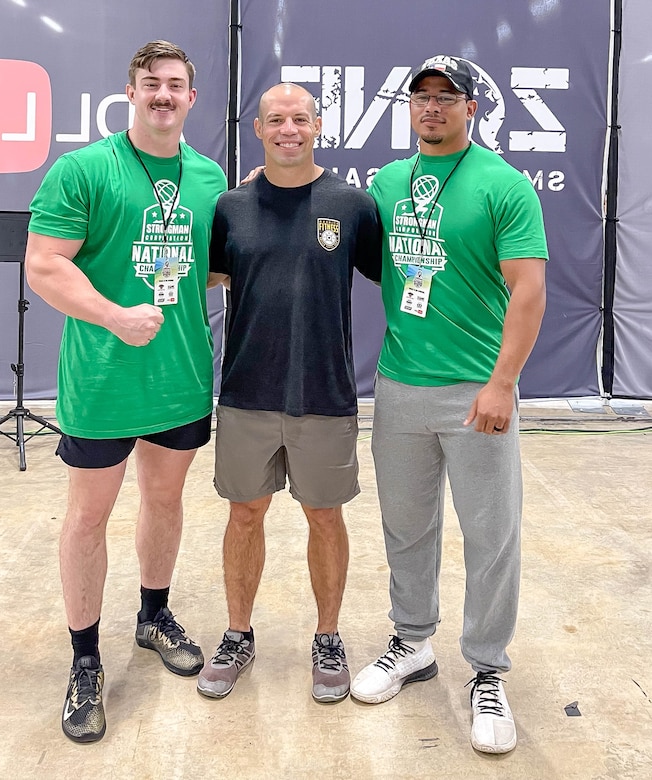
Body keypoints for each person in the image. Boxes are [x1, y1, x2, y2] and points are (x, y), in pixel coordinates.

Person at [25, 40, 227, 743]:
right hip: (103, 383)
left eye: (176, 84)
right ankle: (85, 659)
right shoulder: (84, 170)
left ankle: (153, 615)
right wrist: (112, 315)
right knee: (87, 519)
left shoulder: (208, 177)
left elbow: (206, 266)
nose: (164, 94)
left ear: (191, 98)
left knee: (166, 501)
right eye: (151, 83)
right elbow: (44, 265)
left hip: (181, 380)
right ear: (131, 93)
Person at [349, 55, 548, 755]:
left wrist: (501, 384)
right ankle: (412, 642)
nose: (431, 107)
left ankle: (488, 668)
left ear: (471, 108)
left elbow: (528, 290)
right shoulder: (387, 182)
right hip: (400, 385)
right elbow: (337, 230)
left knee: (491, 537)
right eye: (420, 96)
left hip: (476, 391)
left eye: (446, 96)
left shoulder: (503, 185)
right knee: (406, 526)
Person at [196, 83, 382, 703]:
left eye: (299, 118)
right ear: (258, 129)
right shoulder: (230, 207)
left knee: (324, 516)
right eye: (276, 119)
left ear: (317, 125)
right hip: (247, 391)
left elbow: (403, 272)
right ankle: (237, 633)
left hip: (325, 394)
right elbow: (214, 276)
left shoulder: (352, 205)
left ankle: (328, 636)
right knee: (244, 513)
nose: (288, 129)